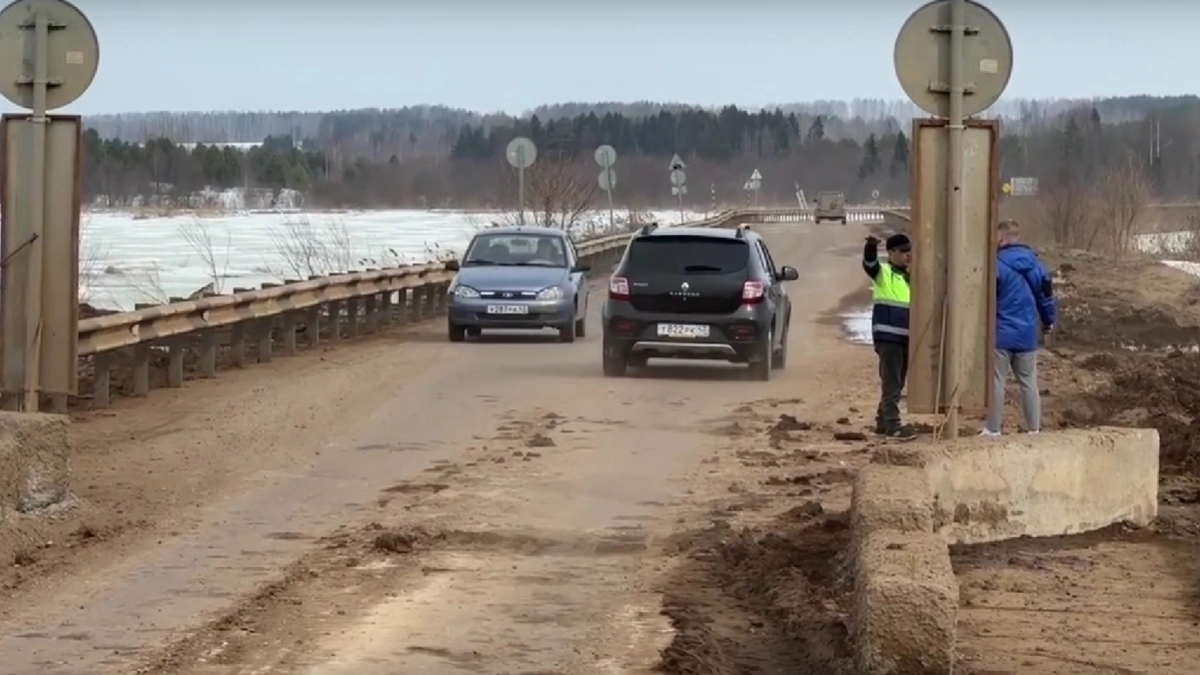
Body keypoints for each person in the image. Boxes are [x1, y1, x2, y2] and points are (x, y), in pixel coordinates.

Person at [981, 218, 1057, 436]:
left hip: (1001, 333)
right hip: (1027, 334)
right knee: (1028, 381)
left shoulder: (995, 265)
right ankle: (1034, 429)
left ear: (1002, 239)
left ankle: (993, 429)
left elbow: (987, 299)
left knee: (997, 381)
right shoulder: (1038, 267)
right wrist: (1048, 322)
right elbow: (1046, 299)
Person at [863, 233, 914, 438]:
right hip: (888, 337)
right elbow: (869, 263)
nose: (907, 255)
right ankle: (893, 426)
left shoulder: (910, 277)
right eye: (903, 252)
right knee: (892, 383)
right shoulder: (882, 272)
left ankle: (882, 422)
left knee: (896, 382)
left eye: (909, 251)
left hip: (906, 337)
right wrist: (871, 246)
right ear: (891, 253)